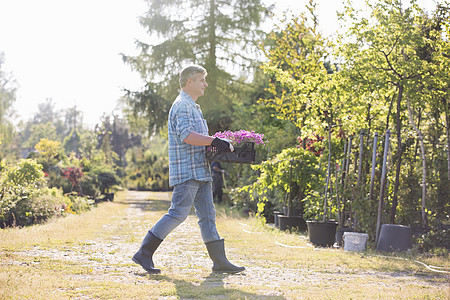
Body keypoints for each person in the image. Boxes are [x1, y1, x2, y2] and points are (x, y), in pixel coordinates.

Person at [132, 65, 245, 274]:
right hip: (187, 171)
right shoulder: (182, 105)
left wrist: (217, 143)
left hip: (201, 170)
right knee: (178, 213)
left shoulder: (194, 107)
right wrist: (214, 140)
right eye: (202, 80)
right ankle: (144, 253)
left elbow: (199, 138)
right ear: (189, 81)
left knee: (208, 215)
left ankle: (219, 261)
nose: (206, 84)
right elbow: (186, 135)